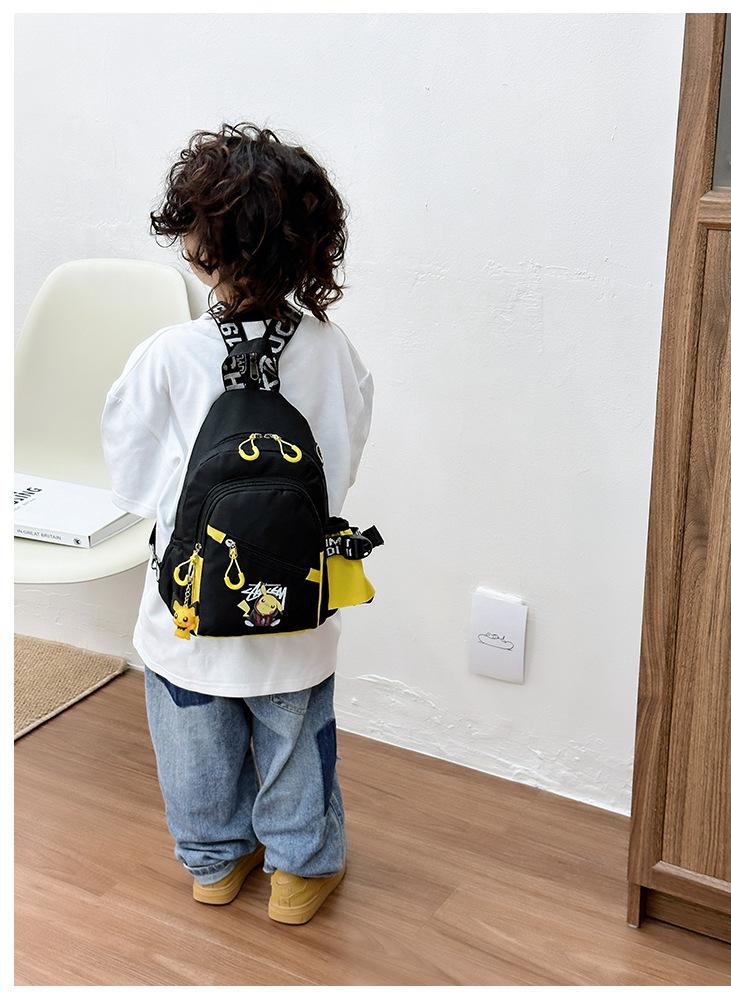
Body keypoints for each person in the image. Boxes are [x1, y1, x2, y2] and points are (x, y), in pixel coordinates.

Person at [100, 122, 373, 925]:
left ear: (199, 249)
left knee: (193, 738)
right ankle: (298, 874)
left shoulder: (166, 354)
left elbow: (134, 480)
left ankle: (215, 866)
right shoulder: (330, 348)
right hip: (297, 604)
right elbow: (345, 454)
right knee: (295, 737)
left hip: (187, 608)